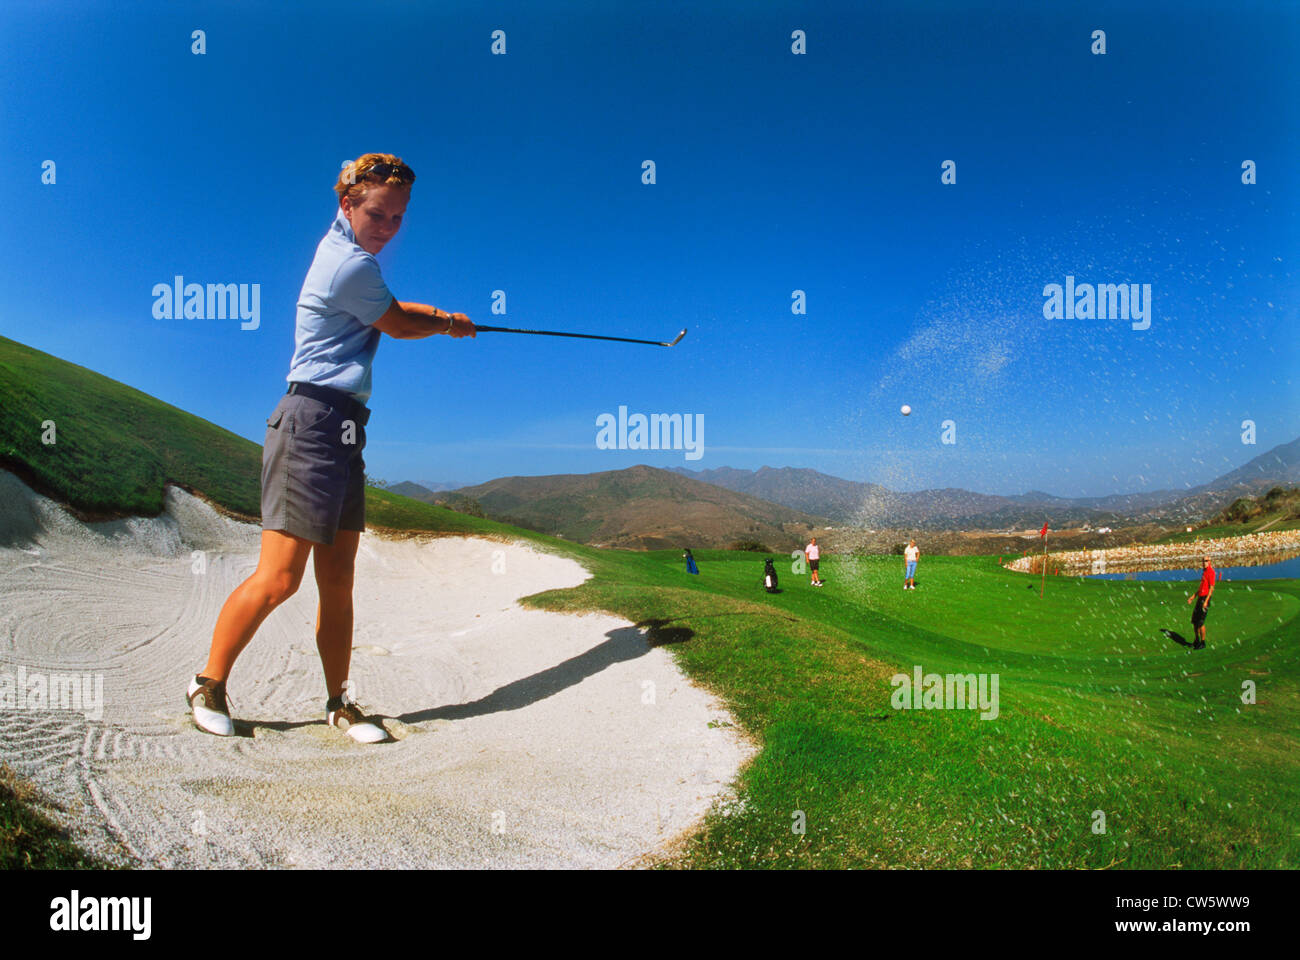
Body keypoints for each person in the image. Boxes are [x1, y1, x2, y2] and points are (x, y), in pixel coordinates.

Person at [186, 153, 476, 742]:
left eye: (398, 217)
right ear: (348, 202)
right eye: (378, 213)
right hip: (311, 421)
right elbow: (395, 321)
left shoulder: (358, 262)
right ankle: (207, 682)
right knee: (280, 577)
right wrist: (448, 325)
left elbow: (391, 312)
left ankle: (338, 702)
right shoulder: (347, 264)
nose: (389, 226)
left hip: (346, 426)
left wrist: (444, 316)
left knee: (338, 579)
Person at [1186, 555, 1216, 650]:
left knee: (1200, 623)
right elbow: (1201, 588)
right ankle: (1197, 640)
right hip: (1200, 598)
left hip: (1205, 599)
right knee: (1194, 621)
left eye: (1206, 561)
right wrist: (1193, 597)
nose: (1204, 562)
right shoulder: (1204, 572)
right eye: (1203, 561)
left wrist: (1206, 601)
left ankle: (1203, 642)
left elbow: (1211, 588)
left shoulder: (1211, 572)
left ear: (1210, 561)